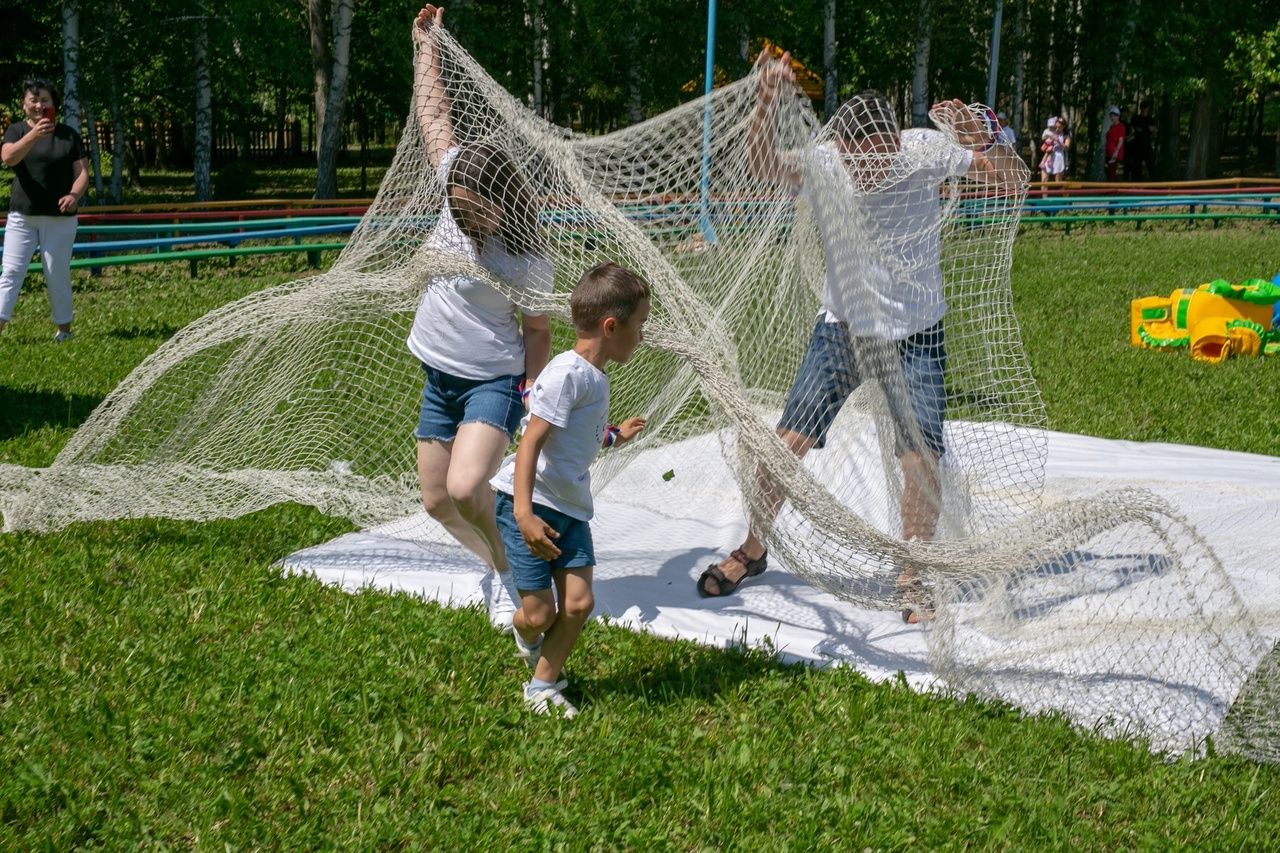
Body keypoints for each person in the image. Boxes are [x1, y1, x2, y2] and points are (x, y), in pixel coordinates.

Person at [697, 53, 1024, 624]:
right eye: (856, 163)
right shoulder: (826, 163)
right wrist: (767, 100)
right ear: (842, 150)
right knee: (784, 446)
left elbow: (1012, 179)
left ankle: (911, 572)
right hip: (841, 330)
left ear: (893, 144)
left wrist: (981, 133)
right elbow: (760, 166)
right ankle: (753, 550)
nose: (866, 174)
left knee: (919, 459)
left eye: (876, 161)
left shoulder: (925, 152)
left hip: (916, 334)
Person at [409, 4, 553, 628]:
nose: (464, 222)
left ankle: (523, 580)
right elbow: (434, 115)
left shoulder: (526, 256)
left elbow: (540, 331)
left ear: (503, 201)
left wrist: (530, 400)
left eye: (473, 214)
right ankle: (499, 566)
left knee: (471, 489)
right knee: (437, 499)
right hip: (438, 375)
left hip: (492, 380)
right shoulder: (453, 177)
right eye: (456, 210)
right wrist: (425, 45)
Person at [492, 262, 650, 717]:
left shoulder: (595, 376)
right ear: (610, 325)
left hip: (571, 508)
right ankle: (524, 631)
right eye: (639, 325)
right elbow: (530, 443)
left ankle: (543, 685)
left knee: (578, 604)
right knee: (540, 615)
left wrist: (616, 436)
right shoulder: (567, 373)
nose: (641, 335)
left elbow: (576, 433)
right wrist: (523, 515)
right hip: (532, 504)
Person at [0, 78, 88, 341]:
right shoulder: (16, 131)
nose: (39, 105)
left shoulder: (68, 135)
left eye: (45, 100)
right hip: (22, 216)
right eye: (33, 100)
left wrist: (74, 194)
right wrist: (34, 134)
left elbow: (82, 173)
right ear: (24, 105)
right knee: (12, 272)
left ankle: (64, 329)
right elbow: (8, 158)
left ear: (54, 104)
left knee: (56, 271)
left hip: (60, 219)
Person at [1125, 101, 1155, 182]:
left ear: (1148, 109)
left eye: (1146, 108)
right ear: (1140, 108)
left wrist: (1145, 129)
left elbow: (1153, 130)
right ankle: (1137, 182)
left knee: (1150, 164)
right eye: (1143, 108)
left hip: (1147, 144)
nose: (1144, 110)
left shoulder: (1150, 119)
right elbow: (1132, 130)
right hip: (1137, 145)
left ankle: (1154, 182)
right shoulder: (1135, 119)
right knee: (1137, 165)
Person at [1105, 105, 1125, 182]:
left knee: (1112, 172)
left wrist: (1116, 152)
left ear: (1118, 116)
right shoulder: (1111, 127)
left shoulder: (1121, 126)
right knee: (1108, 171)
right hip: (1108, 152)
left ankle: (1112, 191)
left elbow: (1120, 140)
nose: (1112, 117)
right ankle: (1110, 189)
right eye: (1111, 115)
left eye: (1114, 115)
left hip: (1114, 154)